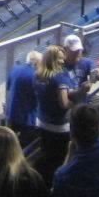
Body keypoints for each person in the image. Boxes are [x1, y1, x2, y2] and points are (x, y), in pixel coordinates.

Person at [32, 45, 77, 174]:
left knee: (46, 154)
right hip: (59, 126)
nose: (63, 61)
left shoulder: (37, 75)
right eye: (60, 59)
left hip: (41, 121)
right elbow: (63, 103)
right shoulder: (59, 77)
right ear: (52, 60)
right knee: (59, 160)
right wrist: (74, 103)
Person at [3, 51, 42, 137]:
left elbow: (8, 87)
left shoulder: (15, 69)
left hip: (11, 115)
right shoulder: (35, 76)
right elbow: (39, 97)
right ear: (36, 62)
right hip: (27, 119)